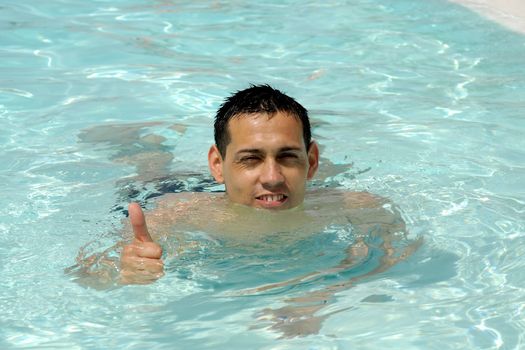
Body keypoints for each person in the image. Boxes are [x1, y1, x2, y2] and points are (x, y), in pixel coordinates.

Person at [74, 84, 419, 337]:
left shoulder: (359, 208)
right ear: (217, 164)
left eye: (288, 156)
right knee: (151, 174)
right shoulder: (172, 215)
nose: (271, 178)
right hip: (179, 190)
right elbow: (85, 276)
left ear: (312, 161)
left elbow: (397, 255)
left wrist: (323, 290)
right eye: (251, 158)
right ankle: (146, 148)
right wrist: (124, 270)